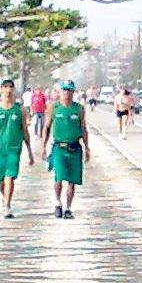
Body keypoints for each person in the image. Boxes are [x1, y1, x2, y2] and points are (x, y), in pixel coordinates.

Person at [0, 77, 34, 219]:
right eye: (5, 87)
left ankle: (7, 205)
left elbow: (25, 131)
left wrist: (30, 152)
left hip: (14, 149)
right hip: (0, 149)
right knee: (0, 180)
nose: (8, 90)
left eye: (11, 87)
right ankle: (5, 197)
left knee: (9, 177)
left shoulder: (20, 110)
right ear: (1, 90)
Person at [47, 80, 91, 220]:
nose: (67, 93)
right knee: (59, 177)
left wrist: (87, 147)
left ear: (73, 92)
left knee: (72, 180)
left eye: (69, 90)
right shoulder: (54, 107)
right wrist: (43, 146)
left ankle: (68, 208)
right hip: (59, 147)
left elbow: (83, 128)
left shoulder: (79, 109)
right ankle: (57, 203)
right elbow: (47, 127)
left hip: (74, 147)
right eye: (64, 90)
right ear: (60, 92)